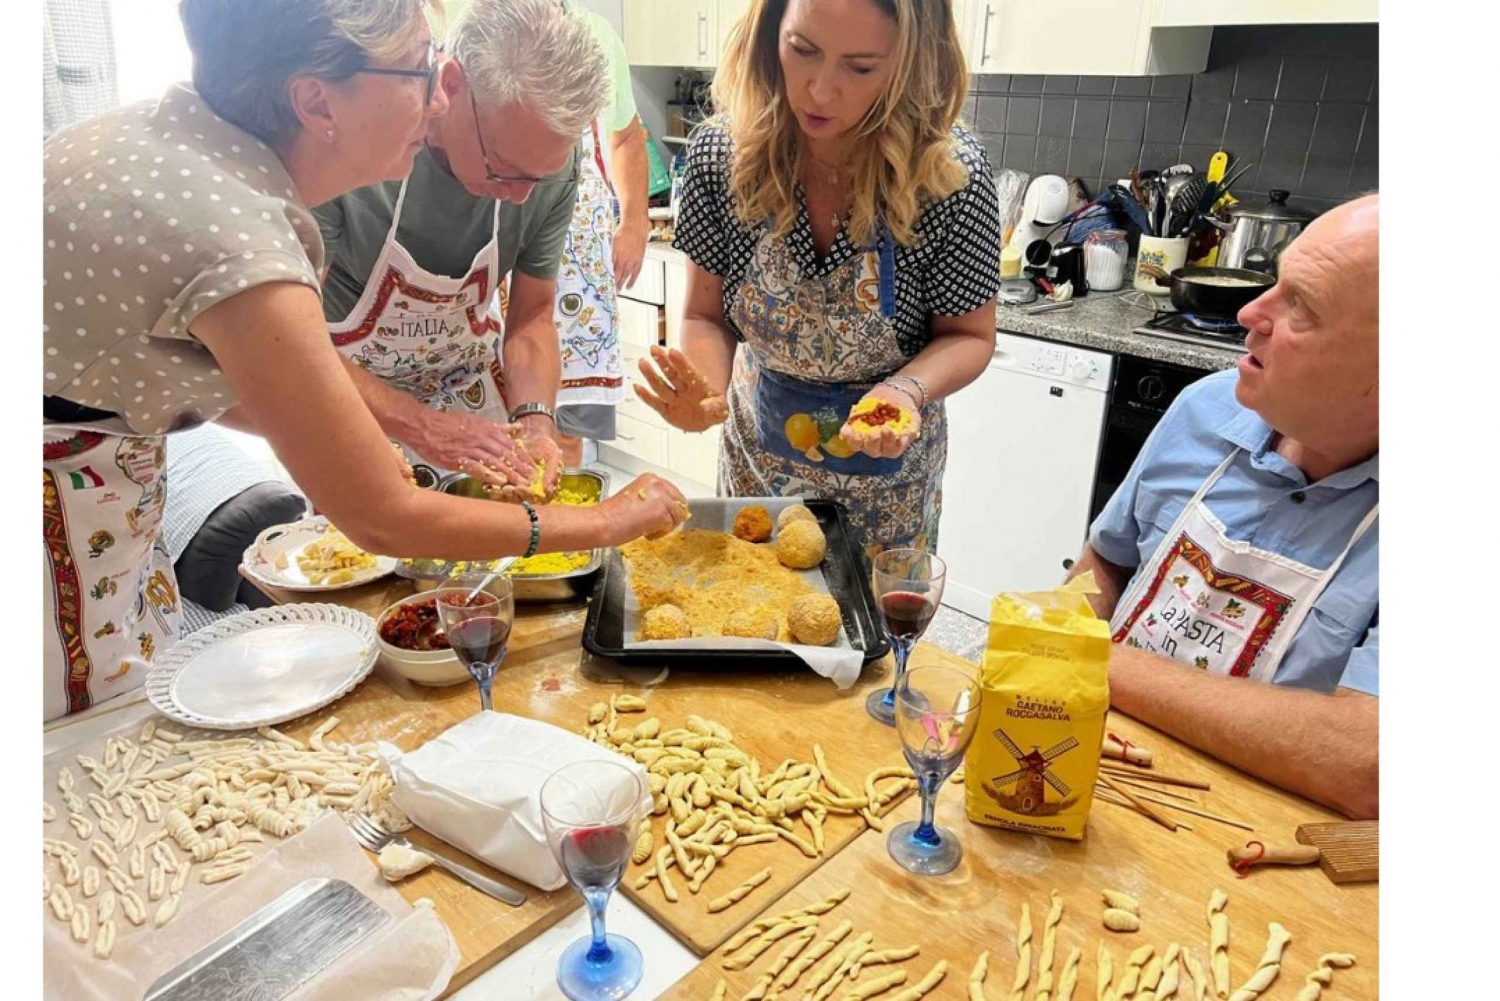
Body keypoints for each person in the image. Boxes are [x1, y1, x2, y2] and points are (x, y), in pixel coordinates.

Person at [41, 0, 686, 721]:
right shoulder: (238, 235)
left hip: (110, 476)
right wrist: (603, 524)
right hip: (51, 499)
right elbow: (383, 514)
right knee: (80, 749)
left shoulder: (199, 143)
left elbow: (197, 376)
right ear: (316, 101)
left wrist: (515, 421)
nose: (436, 91)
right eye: (417, 70)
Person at [633, 0, 1002, 555]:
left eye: (860, 67)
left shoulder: (948, 174)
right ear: (770, 30)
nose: (820, 90)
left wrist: (904, 390)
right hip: (758, 473)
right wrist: (706, 392)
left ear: (909, 60)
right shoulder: (722, 154)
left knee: (874, 639)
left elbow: (970, 336)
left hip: (888, 491)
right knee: (753, 621)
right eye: (803, 50)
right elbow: (705, 316)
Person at [1070, 195, 1380, 819]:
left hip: (1239, 828)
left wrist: (1093, 663)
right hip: (1095, 765)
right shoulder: (1207, 408)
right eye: (1277, 283)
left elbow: (1368, 763)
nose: (1249, 311)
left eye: (1302, 306)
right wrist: (1048, 660)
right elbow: (1105, 564)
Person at [311, 0, 603, 495]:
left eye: (541, 177)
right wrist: (421, 426)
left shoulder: (546, 162)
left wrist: (535, 421)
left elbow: (532, 318)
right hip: (343, 397)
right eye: (504, 168)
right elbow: (291, 346)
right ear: (449, 86)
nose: (523, 195)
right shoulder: (351, 149)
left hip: (468, 399)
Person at [548, 3, 651, 468]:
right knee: (499, 433)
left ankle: (563, 534)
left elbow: (626, 135)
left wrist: (635, 222)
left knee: (570, 430)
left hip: (579, 268)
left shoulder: (597, 34)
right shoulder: (477, 23)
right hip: (502, 261)